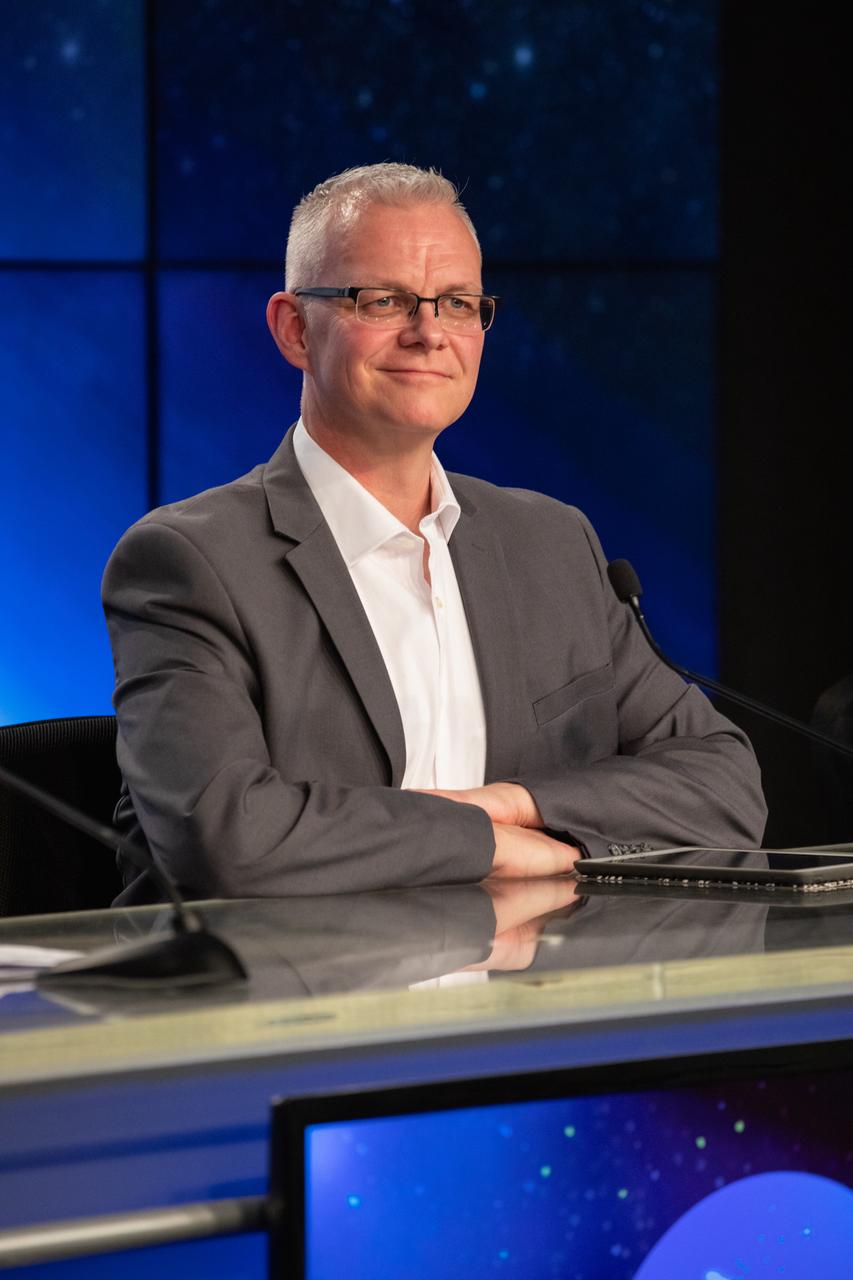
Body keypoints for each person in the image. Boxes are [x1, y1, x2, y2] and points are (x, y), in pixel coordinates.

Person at [103, 163, 766, 905]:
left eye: (457, 303)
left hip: (535, 1000)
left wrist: (510, 807)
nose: (428, 334)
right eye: (383, 300)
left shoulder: (551, 542)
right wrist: (486, 847)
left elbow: (723, 783)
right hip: (292, 1005)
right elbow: (224, 835)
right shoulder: (190, 562)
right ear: (294, 329)